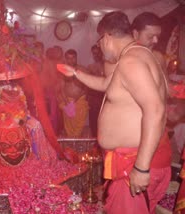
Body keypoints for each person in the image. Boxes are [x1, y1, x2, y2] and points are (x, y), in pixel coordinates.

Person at [57, 11, 171, 214]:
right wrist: (75, 73)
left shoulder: (130, 62)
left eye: (100, 40)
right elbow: (105, 84)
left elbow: (156, 110)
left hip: (135, 162)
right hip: (132, 159)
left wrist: (141, 168)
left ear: (107, 37)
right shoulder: (133, 56)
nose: (99, 47)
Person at [57, 49, 89, 137]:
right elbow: (61, 88)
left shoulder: (83, 70)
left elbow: (86, 87)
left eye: (73, 58)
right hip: (67, 100)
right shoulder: (62, 71)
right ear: (65, 59)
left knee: (79, 126)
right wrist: (67, 102)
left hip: (80, 101)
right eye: (68, 58)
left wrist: (77, 98)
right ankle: (70, 147)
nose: (71, 61)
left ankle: (78, 146)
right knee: (69, 127)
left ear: (76, 58)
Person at [87, 45, 105, 137]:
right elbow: (88, 86)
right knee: (94, 123)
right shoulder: (90, 67)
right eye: (94, 53)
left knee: (104, 123)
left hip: (105, 98)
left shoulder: (108, 66)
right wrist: (88, 100)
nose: (96, 55)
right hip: (94, 99)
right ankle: (95, 147)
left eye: (98, 53)